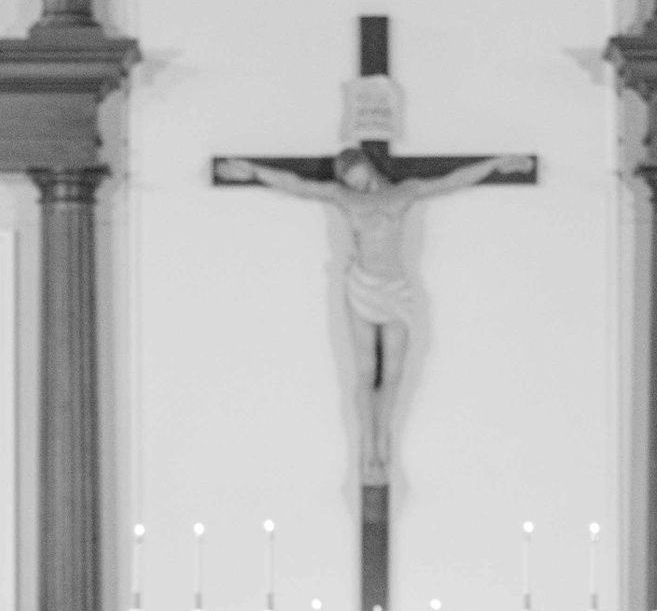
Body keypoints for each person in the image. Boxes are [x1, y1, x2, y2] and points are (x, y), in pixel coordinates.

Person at [216, 148, 532, 483]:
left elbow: (450, 181)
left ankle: (384, 437)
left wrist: (495, 165)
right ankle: (369, 445)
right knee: (365, 372)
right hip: (363, 287)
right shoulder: (345, 198)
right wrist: (254, 170)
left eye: (355, 171)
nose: (352, 180)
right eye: (346, 177)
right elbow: (299, 185)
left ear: (367, 166)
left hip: (395, 290)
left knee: (394, 373)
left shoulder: (404, 192)